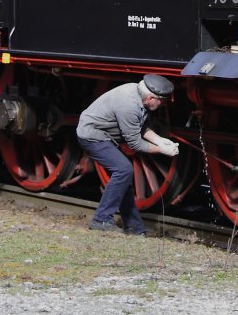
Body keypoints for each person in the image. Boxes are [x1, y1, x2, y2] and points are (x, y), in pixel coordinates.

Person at [76, 74, 180, 235]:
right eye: (161, 100)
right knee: (123, 170)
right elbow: (135, 144)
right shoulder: (128, 106)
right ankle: (101, 220)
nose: (162, 104)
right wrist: (162, 150)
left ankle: (135, 228)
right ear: (150, 98)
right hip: (92, 136)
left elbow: (140, 126)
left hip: (104, 135)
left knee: (123, 178)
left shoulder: (137, 94)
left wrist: (160, 140)